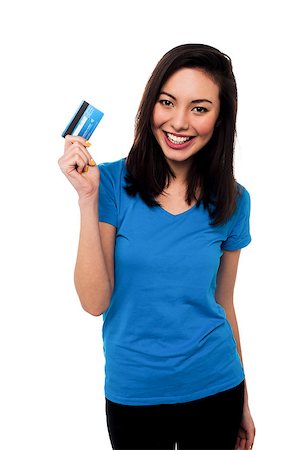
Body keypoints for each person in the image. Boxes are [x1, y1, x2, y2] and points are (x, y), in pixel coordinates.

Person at [58, 43, 256, 450]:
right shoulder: (108, 184)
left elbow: (224, 304)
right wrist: (86, 199)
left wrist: (245, 403)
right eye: (167, 102)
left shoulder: (235, 200)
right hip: (135, 396)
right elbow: (94, 302)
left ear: (220, 120)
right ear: (151, 105)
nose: (179, 122)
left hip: (217, 387)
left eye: (199, 108)